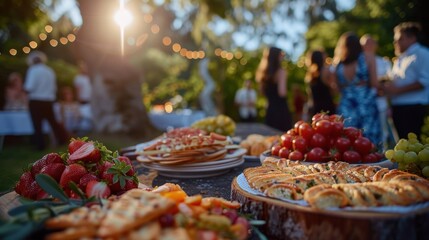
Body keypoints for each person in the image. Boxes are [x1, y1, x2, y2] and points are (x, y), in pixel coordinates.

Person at [330, 32, 382, 144]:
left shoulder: (338, 63)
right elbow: (374, 84)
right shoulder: (368, 57)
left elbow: (335, 88)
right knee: (369, 141)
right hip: (366, 103)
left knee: (348, 139)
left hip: (346, 105)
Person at [382, 22, 429, 138]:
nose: (395, 42)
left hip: (412, 108)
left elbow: (424, 82)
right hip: (398, 107)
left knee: (412, 147)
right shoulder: (401, 58)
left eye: (400, 39)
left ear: (412, 38)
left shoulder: (423, 54)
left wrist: (397, 90)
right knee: (402, 145)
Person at [24, 51, 68, 150]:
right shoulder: (49, 71)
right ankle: (62, 140)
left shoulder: (33, 70)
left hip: (36, 101)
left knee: (37, 124)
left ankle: (40, 145)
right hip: (48, 101)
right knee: (53, 122)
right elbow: (54, 87)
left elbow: (29, 87)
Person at [360, 34, 395, 149]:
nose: (368, 46)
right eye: (365, 44)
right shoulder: (358, 62)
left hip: (381, 102)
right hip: (363, 103)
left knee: (382, 132)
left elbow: (390, 82)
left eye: (370, 43)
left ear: (376, 45)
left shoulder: (384, 62)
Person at [255, 47, 292, 132]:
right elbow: (282, 92)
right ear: (276, 56)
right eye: (281, 55)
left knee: (271, 136)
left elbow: (261, 92)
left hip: (270, 109)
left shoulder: (263, 73)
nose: (282, 58)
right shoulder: (281, 72)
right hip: (281, 109)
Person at [304, 49, 336, 117]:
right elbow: (334, 89)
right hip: (327, 108)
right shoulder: (326, 71)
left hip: (315, 108)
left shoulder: (310, 74)